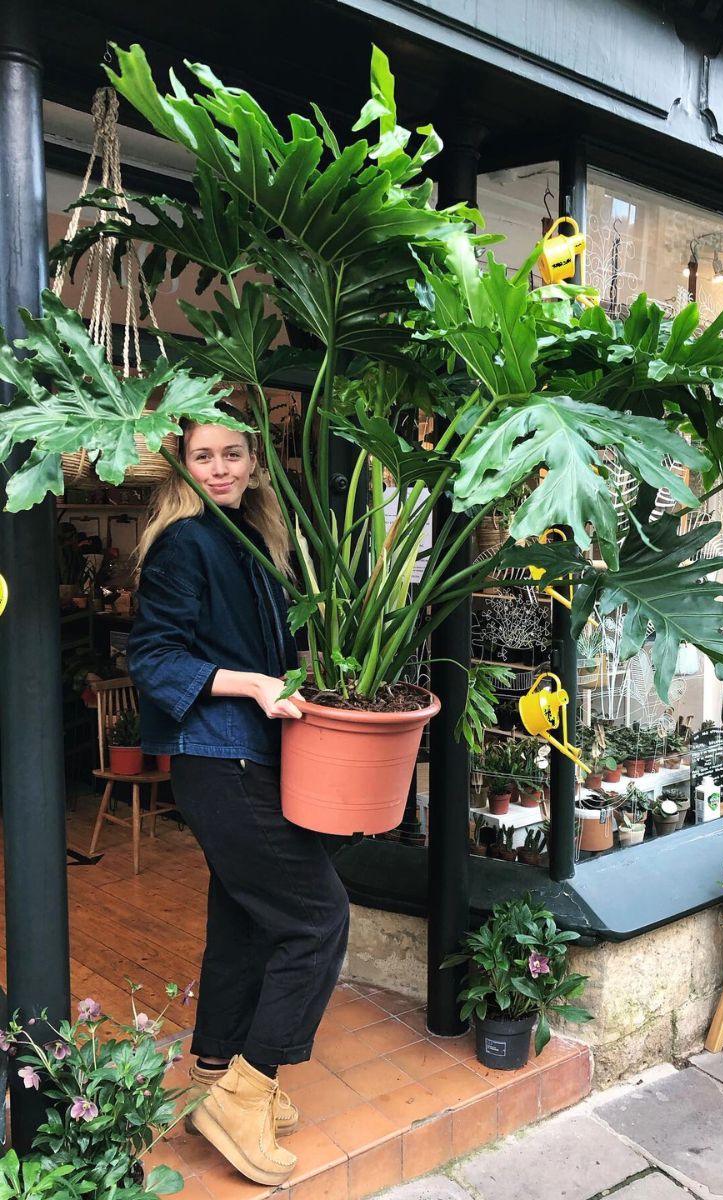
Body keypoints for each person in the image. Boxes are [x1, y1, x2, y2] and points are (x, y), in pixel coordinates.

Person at [127, 417, 350, 1187]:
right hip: (220, 757)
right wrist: (254, 683)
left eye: (232, 454)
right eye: (202, 456)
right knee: (318, 919)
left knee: (246, 918)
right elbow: (152, 656)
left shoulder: (253, 543)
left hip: (247, 755)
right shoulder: (188, 542)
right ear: (182, 467)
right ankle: (246, 1093)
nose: (218, 468)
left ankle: (217, 1073)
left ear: (256, 463)